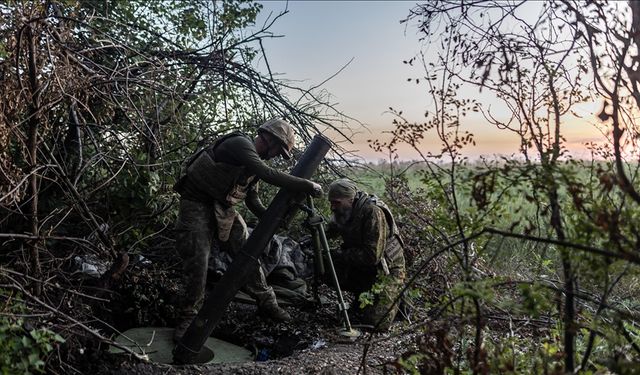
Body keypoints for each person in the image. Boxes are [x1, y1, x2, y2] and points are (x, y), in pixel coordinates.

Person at [172, 118, 322, 342]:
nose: (275, 156)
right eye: (277, 150)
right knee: (198, 261)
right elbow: (267, 173)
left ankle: (267, 302)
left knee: (248, 252)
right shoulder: (240, 145)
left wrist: (271, 219)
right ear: (268, 138)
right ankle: (188, 317)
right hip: (196, 202)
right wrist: (307, 185)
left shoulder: (252, 164)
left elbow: (253, 200)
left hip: (223, 208)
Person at [325, 178, 406, 331]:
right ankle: (361, 292)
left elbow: (371, 257)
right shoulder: (343, 212)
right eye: (331, 202)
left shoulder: (372, 212)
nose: (332, 207)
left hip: (386, 270)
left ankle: (397, 295)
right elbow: (329, 232)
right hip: (363, 267)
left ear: (350, 199)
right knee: (325, 268)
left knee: (375, 323)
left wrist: (340, 254)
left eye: (336, 202)